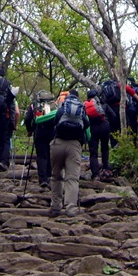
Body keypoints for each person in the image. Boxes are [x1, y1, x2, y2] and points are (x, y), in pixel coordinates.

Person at [49, 89, 89, 217]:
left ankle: (56, 206)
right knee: (72, 178)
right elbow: (87, 124)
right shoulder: (81, 109)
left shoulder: (63, 107)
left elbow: (55, 121)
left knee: (56, 176)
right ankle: (71, 208)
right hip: (74, 146)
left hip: (58, 143)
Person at [24, 90, 57, 188]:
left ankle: (43, 179)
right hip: (52, 131)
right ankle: (49, 175)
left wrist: (30, 129)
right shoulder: (54, 104)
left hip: (39, 131)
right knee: (49, 153)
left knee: (41, 155)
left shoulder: (34, 105)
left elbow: (27, 119)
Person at [84, 88, 113, 180]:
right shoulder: (103, 104)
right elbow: (113, 116)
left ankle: (95, 174)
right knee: (105, 148)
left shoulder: (85, 105)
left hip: (92, 129)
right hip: (104, 126)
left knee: (93, 153)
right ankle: (105, 169)